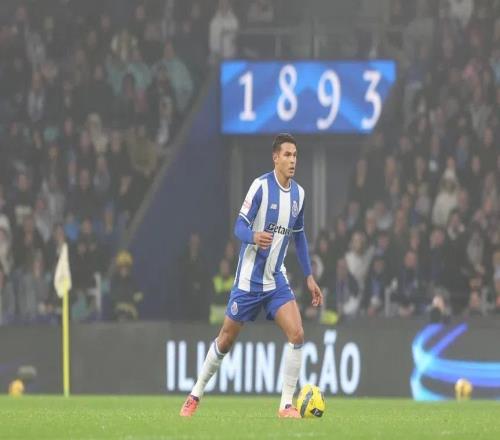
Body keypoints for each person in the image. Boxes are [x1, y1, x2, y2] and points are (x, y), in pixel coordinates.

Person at [180, 133, 323, 418]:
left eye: (295, 155)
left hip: (276, 279)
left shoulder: (300, 195)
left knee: (297, 334)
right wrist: (254, 237)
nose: (292, 160)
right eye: (287, 155)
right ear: (275, 157)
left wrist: (309, 276)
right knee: (225, 339)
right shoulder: (260, 187)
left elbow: (299, 236)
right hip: (248, 281)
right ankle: (195, 393)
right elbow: (239, 226)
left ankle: (286, 405)